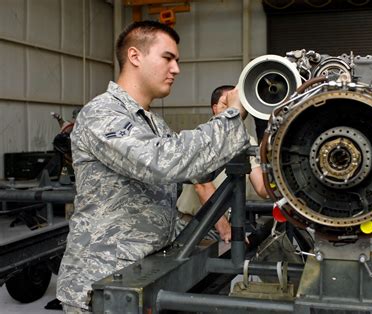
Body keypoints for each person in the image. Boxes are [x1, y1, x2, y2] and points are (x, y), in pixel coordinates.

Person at [56, 21, 249, 313]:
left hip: (142, 275)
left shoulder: (152, 123)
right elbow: (164, 162)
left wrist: (228, 124)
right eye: (168, 58)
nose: (176, 70)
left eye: (177, 61)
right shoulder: (101, 113)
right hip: (102, 283)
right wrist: (231, 117)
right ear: (135, 56)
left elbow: (196, 170)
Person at [177, 85, 268, 243]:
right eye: (226, 105)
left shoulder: (247, 142)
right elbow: (202, 186)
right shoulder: (200, 138)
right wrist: (225, 229)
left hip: (222, 229)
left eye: (237, 105)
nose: (232, 110)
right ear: (215, 108)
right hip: (193, 226)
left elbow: (262, 188)